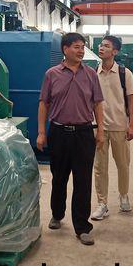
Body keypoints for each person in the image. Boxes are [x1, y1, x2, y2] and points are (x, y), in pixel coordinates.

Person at [37, 33, 105, 246]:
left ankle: (82, 227)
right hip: (59, 132)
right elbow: (44, 103)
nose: (81, 51)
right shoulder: (52, 74)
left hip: (84, 133)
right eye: (76, 47)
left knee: (83, 181)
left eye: (82, 47)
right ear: (65, 49)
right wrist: (41, 132)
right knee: (59, 178)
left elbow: (98, 104)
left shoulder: (91, 74)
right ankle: (57, 214)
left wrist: (101, 131)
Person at [91, 35, 133, 220]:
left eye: (106, 46)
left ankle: (123, 195)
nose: (101, 48)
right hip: (99, 128)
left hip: (119, 126)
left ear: (115, 51)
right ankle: (102, 203)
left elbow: (131, 101)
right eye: (101, 45)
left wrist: (131, 124)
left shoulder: (125, 73)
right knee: (100, 167)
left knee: (123, 165)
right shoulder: (93, 73)